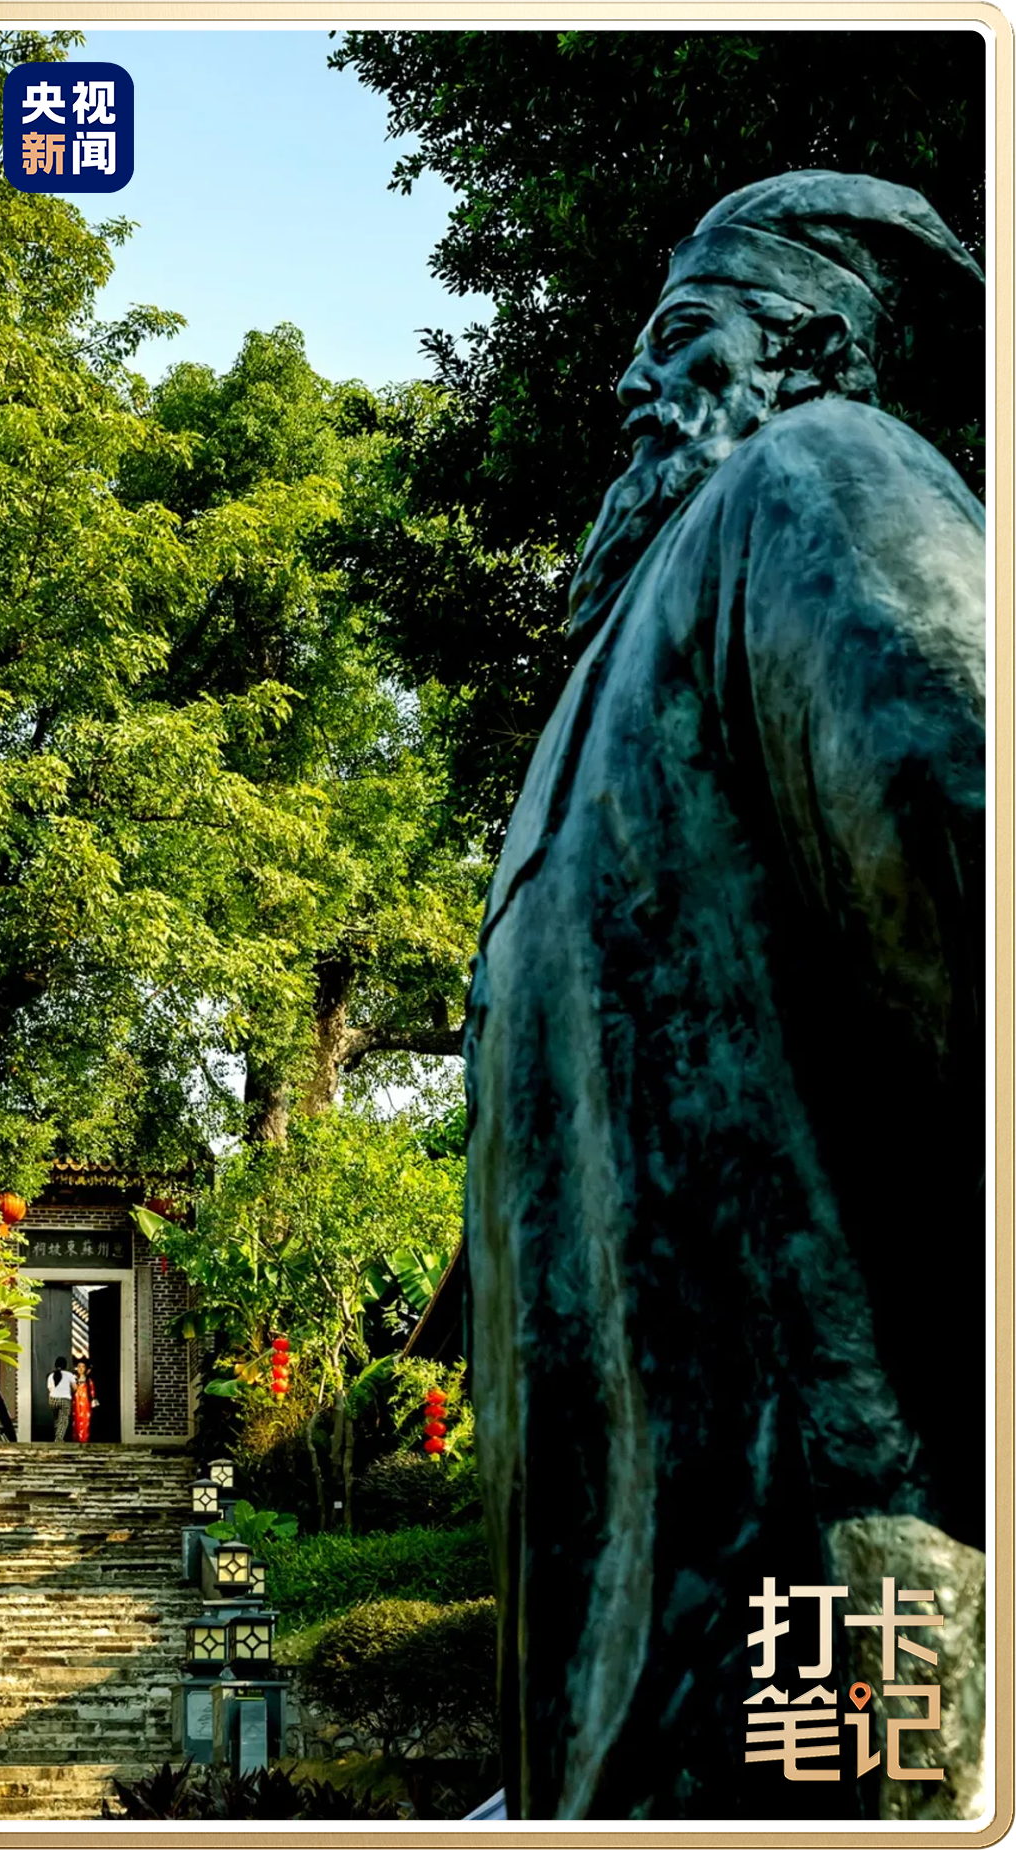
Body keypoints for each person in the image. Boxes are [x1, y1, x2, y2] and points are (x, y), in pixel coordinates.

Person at [464, 173, 986, 1821]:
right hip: (647, 1721)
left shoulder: (815, 476)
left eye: (682, 335)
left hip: (847, 1630)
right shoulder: (613, 697)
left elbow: (963, 812)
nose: (634, 385)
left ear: (814, 349)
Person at [46, 1354, 73, 1443]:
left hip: (53, 1400)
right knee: (63, 1420)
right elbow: (75, 1387)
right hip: (64, 1400)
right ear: (65, 1365)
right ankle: (58, 1439)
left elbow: (50, 1389)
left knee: (57, 1419)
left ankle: (58, 1437)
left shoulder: (51, 1376)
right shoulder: (69, 1375)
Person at [71, 1358, 98, 1444]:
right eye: (79, 1366)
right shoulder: (74, 1381)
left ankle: (85, 1440)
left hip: (85, 1406)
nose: (81, 1368)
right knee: (76, 1422)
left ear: (86, 1368)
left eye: (83, 1366)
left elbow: (92, 1394)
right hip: (76, 1405)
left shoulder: (89, 1381)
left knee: (85, 1422)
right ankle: (76, 1440)